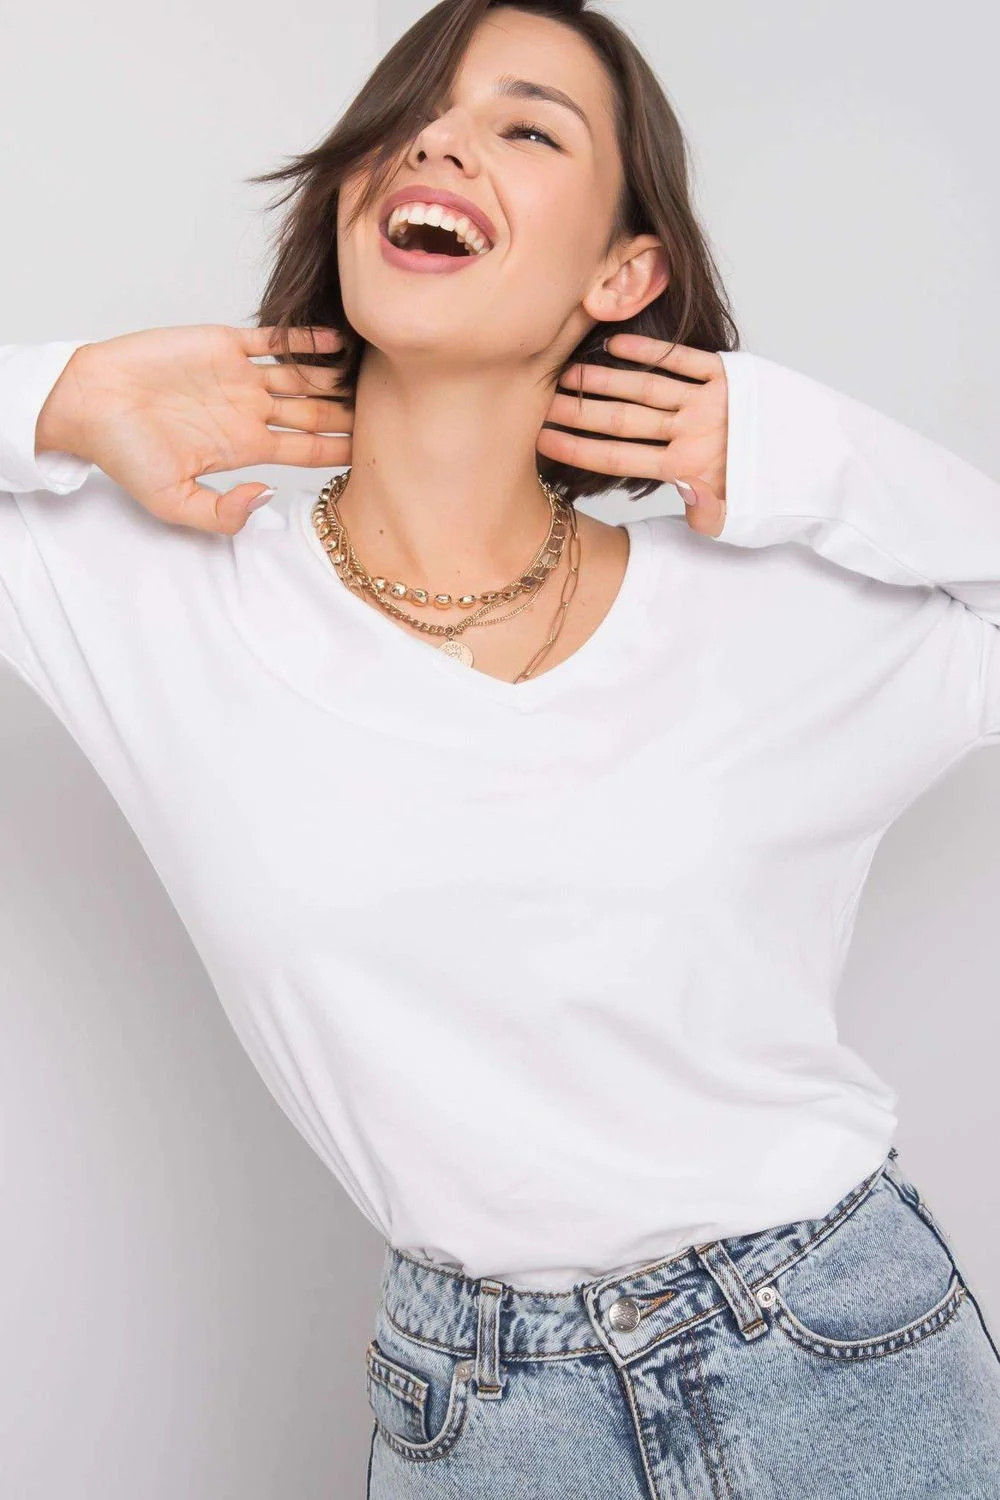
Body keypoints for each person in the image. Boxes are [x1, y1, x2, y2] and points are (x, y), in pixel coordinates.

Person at [3, 0, 999, 1494]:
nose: (441, 143)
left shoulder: (778, 618)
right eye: (413, 113)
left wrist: (802, 452)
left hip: (843, 1359)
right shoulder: (158, 589)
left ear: (624, 272)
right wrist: (64, 397)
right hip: (483, 1422)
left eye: (527, 127)